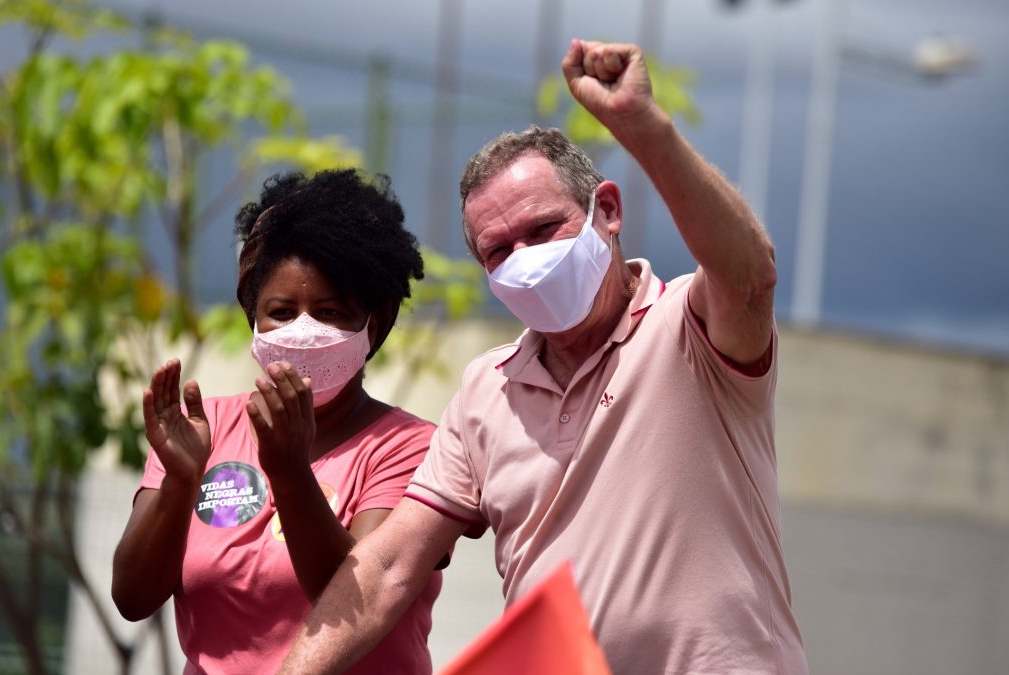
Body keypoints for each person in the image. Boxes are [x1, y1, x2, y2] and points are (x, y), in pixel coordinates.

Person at [279, 39, 807, 675]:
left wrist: (642, 125)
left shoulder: (691, 329)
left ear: (606, 211)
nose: (524, 260)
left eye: (541, 230)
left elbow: (749, 275)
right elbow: (388, 568)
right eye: (498, 251)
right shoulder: (486, 389)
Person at [111, 169, 441, 674]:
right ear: (253, 319)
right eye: (282, 312)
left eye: (329, 312)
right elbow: (132, 597)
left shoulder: (409, 447)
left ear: (371, 324)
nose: (303, 329)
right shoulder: (204, 429)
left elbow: (363, 602)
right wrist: (180, 482)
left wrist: (289, 473)